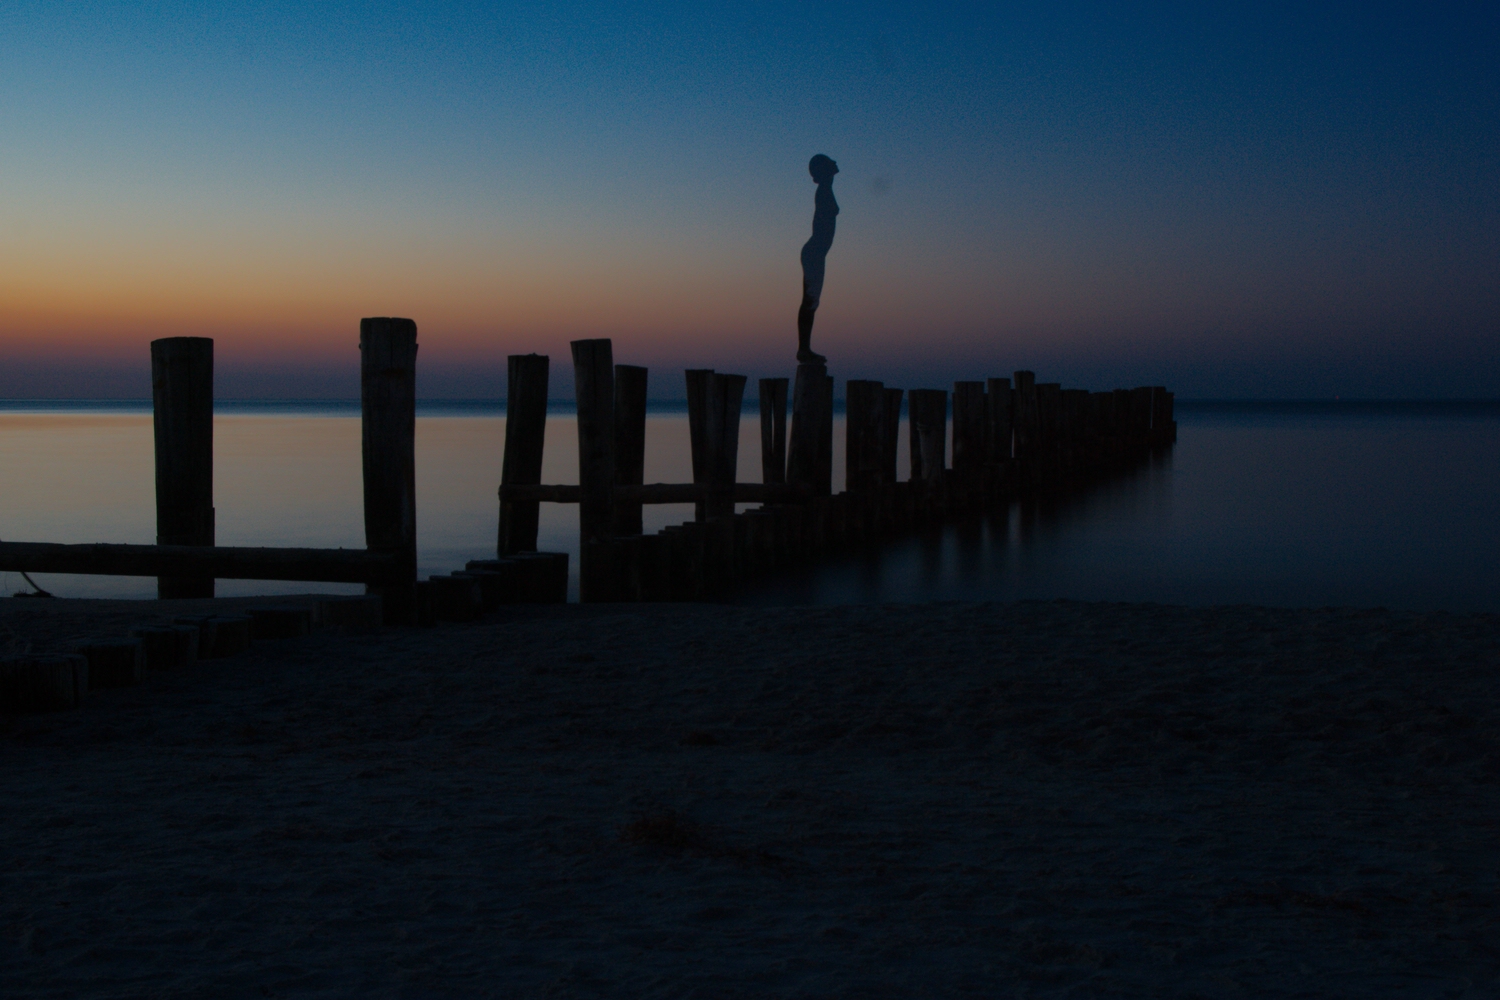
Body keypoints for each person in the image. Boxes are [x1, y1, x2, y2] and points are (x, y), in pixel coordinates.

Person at [797, 154, 839, 364]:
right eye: (830, 162)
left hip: (816, 253)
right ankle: (803, 349)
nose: (836, 163)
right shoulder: (823, 191)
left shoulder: (826, 189)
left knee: (812, 302)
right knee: (810, 301)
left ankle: (805, 348)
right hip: (814, 253)